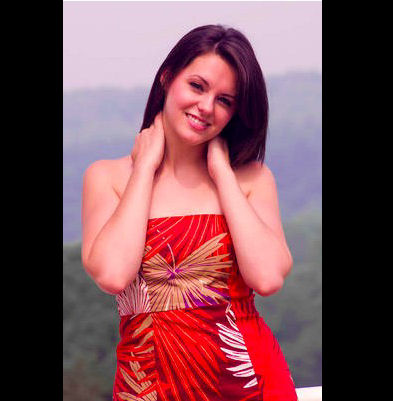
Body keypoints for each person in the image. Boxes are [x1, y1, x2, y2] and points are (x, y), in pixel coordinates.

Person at [81, 24, 297, 401]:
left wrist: (222, 174)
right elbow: (113, 275)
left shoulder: (251, 180)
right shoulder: (107, 178)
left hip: (252, 384)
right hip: (146, 386)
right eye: (197, 86)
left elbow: (267, 279)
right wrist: (145, 168)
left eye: (225, 100)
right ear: (167, 78)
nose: (206, 107)